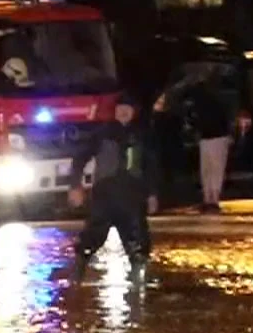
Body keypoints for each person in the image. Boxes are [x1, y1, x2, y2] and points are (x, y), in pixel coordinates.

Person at [65, 92, 158, 280]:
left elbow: (152, 167)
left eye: (128, 109)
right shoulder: (102, 134)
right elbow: (80, 158)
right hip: (105, 196)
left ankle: (138, 278)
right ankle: (77, 274)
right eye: (120, 108)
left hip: (133, 197)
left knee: (138, 241)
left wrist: (152, 194)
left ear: (134, 112)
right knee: (90, 238)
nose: (123, 112)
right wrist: (75, 186)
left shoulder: (142, 137)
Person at [161, 72, 236, 214]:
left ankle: (209, 199)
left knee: (208, 168)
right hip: (216, 135)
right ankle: (212, 199)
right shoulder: (216, 97)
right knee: (214, 168)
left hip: (209, 136)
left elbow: (196, 117)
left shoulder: (197, 99)